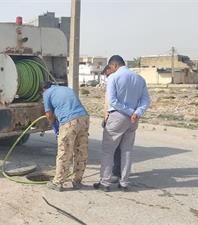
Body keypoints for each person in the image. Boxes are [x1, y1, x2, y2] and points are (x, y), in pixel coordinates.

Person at [94, 55, 150, 192]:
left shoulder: (114, 77)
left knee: (108, 151)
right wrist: (137, 112)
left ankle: (105, 183)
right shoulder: (140, 79)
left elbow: (112, 101)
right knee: (127, 151)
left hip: (118, 116)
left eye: (110, 67)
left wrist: (130, 111)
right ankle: (124, 182)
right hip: (133, 119)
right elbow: (146, 101)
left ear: (114, 66)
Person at [43, 81, 90, 192]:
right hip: (84, 118)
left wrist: (54, 125)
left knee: (64, 152)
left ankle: (57, 183)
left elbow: (49, 114)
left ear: (44, 89)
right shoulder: (65, 88)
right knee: (81, 151)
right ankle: (77, 181)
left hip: (70, 121)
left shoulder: (47, 93)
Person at [102, 65, 122, 184]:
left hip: (114, 118)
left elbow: (111, 102)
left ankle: (113, 174)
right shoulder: (115, 82)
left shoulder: (114, 82)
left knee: (112, 149)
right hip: (115, 117)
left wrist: (107, 118)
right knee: (121, 148)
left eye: (107, 75)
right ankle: (119, 174)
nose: (107, 78)